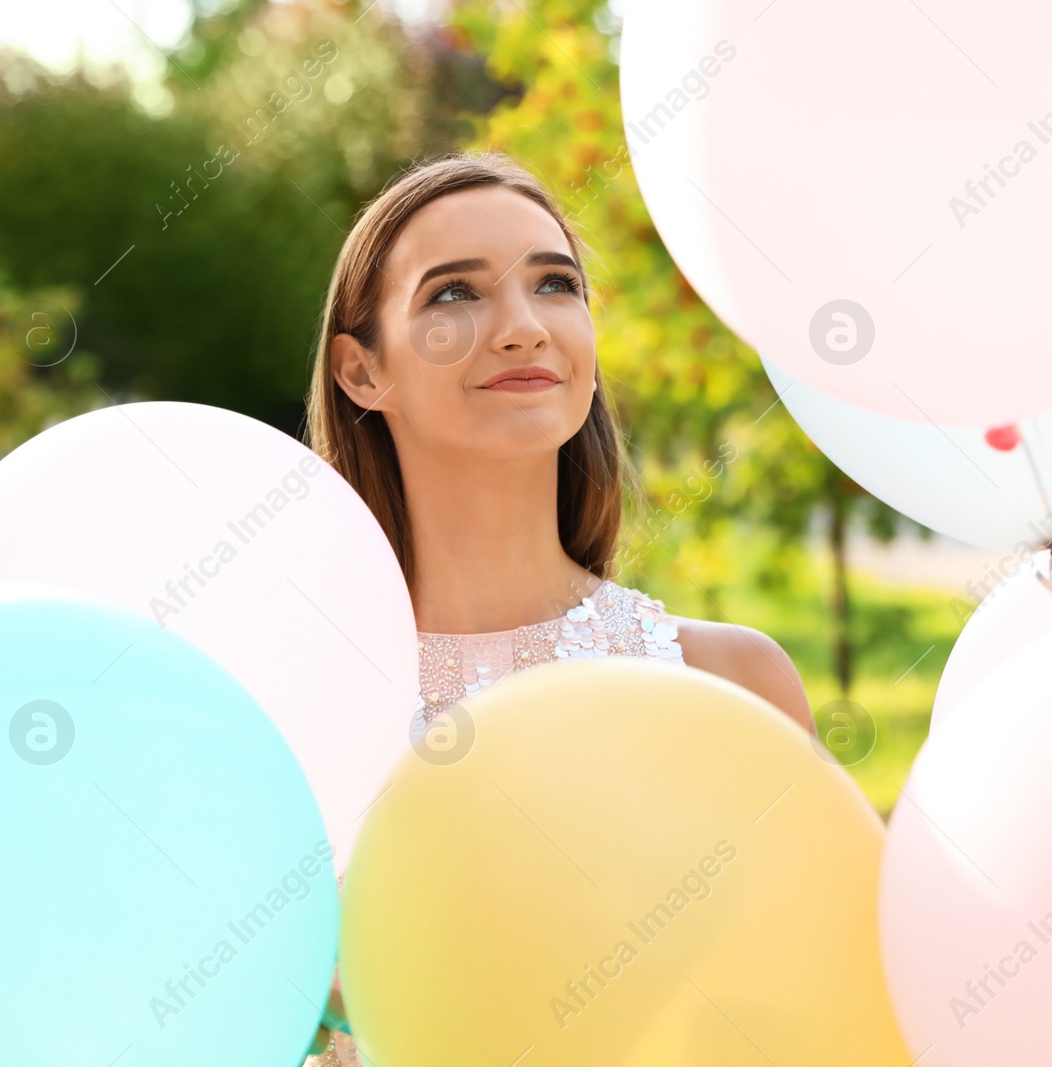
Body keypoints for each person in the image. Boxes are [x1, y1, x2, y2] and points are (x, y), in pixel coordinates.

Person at [302, 151, 815, 1066]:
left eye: (555, 284)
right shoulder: (289, 704)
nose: (522, 327)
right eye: (453, 296)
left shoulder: (735, 686)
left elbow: (803, 1018)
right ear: (358, 371)